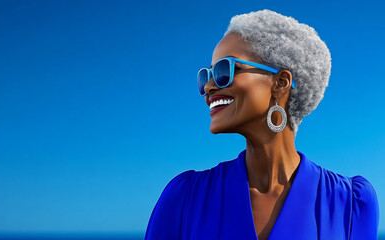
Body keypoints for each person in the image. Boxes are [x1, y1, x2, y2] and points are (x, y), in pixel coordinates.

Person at [145, 9, 379, 240]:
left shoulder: (352, 204)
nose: (208, 87)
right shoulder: (184, 199)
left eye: (224, 70)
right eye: (206, 75)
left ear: (280, 82)